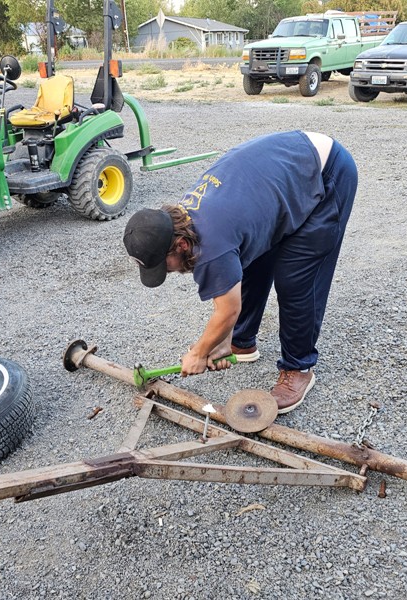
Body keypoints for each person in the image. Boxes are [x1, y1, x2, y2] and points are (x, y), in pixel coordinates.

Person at [122, 130, 357, 413]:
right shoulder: (184, 219)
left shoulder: (209, 245)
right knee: (252, 259)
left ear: (181, 245)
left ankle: (300, 367)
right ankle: (242, 342)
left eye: (165, 265)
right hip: (289, 168)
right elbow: (230, 274)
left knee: (295, 278)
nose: (168, 272)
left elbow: (227, 309)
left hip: (326, 171)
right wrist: (222, 342)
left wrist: (198, 353)